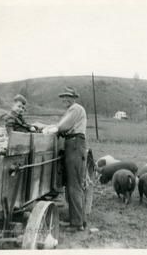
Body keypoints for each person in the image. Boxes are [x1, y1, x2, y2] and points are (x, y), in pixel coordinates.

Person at [43, 87, 88, 232]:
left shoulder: (76, 108)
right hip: (72, 145)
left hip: (75, 144)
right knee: (74, 185)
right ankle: (78, 220)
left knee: (74, 185)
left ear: (73, 98)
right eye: (62, 97)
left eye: (67, 97)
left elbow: (62, 126)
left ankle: (76, 224)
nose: (64, 99)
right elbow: (61, 125)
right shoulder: (71, 110)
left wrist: (48, 129)